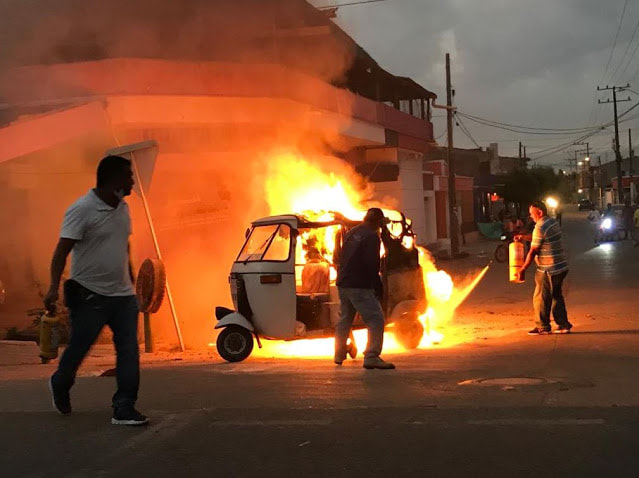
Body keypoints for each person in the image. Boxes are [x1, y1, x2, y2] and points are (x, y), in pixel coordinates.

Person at [44, 155, 147, 426]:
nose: (132, 181)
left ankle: (124, 406)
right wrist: (53, 288)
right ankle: (60, 381)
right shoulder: (82, 209)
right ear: (113, 180)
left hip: (123, 296)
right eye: (128, 176)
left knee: (128, 350)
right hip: (90, 294)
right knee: (80, 346)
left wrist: (132, 279)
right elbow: (61, 251)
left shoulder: (123, 208)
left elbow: (124, 245)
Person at [334, 208, 395, 369]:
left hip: (343, 283)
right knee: (376, 319)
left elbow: (340, 256)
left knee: (345, 319)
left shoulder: (352, 232)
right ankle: (372, 356)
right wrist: (377, 285)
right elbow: (371, 264)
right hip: (359, 285)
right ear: (377, 222)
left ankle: (339, 354)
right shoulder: (372, 237)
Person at [515, 200, 572, 335]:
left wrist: (522, 269)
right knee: (556, 296)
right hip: (560, 266)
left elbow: (533, 250)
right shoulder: (551, 222)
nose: (530, 216)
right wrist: (523, 237)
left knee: (541, 297)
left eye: (532, 213)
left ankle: (543, 326)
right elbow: (539, 238)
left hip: (549, 269)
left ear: (539, 212)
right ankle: (563, 325)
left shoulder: (540, 226)